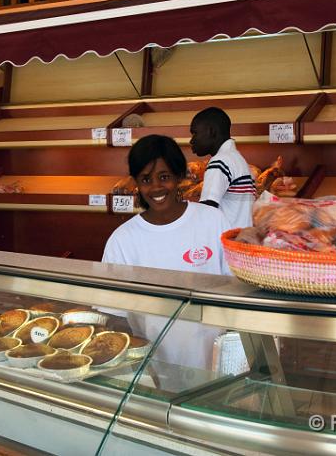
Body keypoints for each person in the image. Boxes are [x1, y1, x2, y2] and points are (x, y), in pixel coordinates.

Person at [102, 135, 230, 370]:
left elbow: (235, 292)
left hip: (214, 365)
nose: (156, 187)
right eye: (146, 179)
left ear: (179, 176)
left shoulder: (213, 221)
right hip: (152, 368)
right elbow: (115, 316)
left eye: (164, 177)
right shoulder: (122, 240)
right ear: (136, 183)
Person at [189, 107, 255, 229]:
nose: (191, 141)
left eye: (195, 133)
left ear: (211, 131)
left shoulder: (219, 162)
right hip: (239, 239)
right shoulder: (238, 159)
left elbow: (207, 209)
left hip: (225, 242)